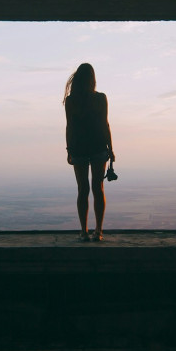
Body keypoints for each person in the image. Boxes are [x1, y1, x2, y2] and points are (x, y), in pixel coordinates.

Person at [63, 63, 115, 242]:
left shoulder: (71, 100)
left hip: (78, 149)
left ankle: (84, 232)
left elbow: (70, 126)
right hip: (99, 147)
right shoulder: (100, 98)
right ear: (92, 79)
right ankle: (99, 231)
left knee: (82, 189)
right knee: (98, 189)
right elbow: (105, 124)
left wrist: (69, 149)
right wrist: (111, 148)